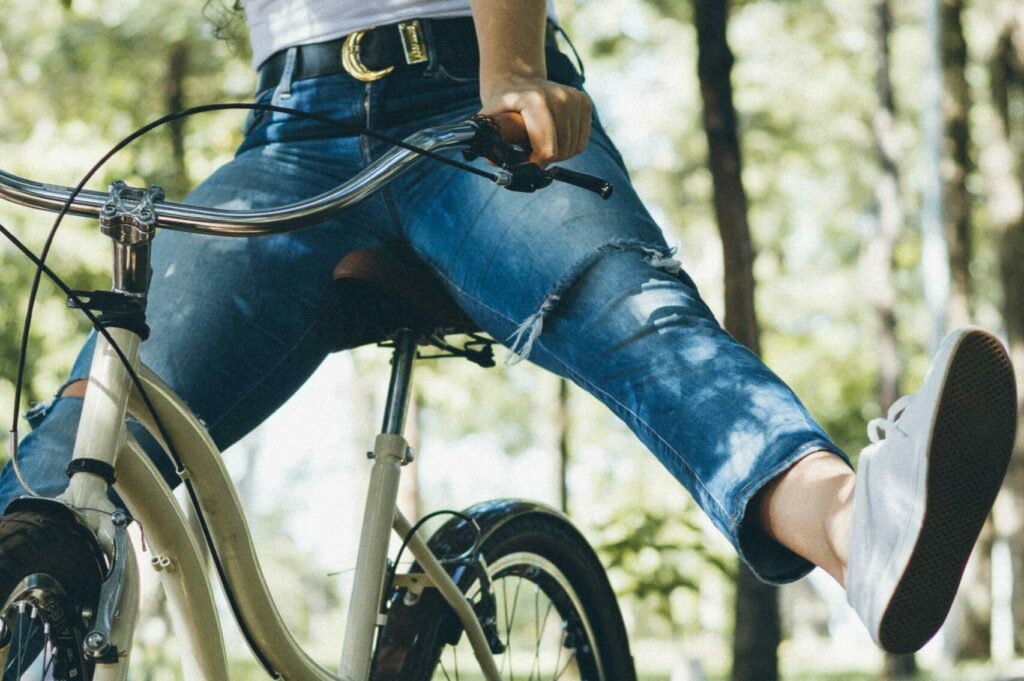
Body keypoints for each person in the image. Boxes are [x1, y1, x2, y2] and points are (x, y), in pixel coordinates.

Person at [0, 0, 1016, 656]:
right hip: (288, 126)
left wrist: (510, 66)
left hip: (467, 93)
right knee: (83, 444)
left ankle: (856, 525)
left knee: (630, 313)